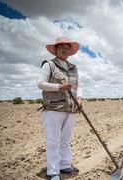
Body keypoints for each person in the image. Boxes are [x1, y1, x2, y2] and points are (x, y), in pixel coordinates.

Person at [37, 37, 82, 180]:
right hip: (53, 108)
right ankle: (53, 171)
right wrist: (59, 87)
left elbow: (78, 86)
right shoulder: (49, 65)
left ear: (70, 51)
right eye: (61, 47)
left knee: (65, 140)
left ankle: (65, 165)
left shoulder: (73, 67)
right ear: (55, 50)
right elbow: (40, 84)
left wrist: (79, 98)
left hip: (71, 109)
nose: (64, 50)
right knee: (53, 141)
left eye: (67, 48)